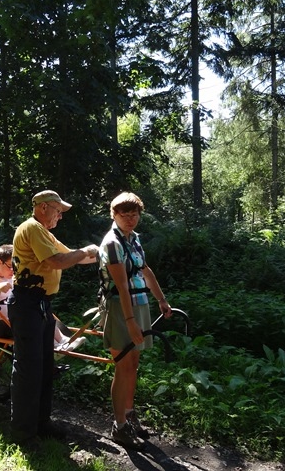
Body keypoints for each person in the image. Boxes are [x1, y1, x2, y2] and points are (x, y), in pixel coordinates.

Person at [7, 190, 99, 446]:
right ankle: (23, 434)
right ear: (44, 207)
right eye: (58, 210)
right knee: (29, 369)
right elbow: (58, 261)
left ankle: (41, 423)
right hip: (26, 303)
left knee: (46, 367)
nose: (60, 215)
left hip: (41, 304)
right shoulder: (32, 228)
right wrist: (84, 251)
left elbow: (73, 258)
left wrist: (105, 253)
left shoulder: (45, 233)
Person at [98, 192, 172, 450]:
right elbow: (121, 286)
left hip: (139, 305)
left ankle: (129, 415)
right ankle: (118, 426)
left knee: (134, 364)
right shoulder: (112, 243)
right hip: (120, 308)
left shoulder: (134, 239)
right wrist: (130, 321)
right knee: (123, 365)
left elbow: (144, 270)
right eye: (124, 215)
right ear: (114, 215)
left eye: (134, 214)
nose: (130, 220)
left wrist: (161, 300)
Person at [0, 244, 86, 351]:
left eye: (16, 266)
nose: (14, 271)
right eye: (11, 267)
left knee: (37, 305)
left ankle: (62, 340)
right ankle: (54, 346)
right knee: (28, 313)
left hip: (5, 307)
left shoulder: (9, 272)